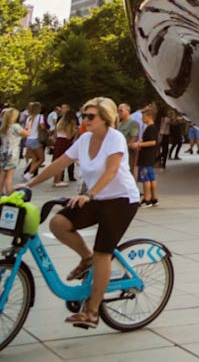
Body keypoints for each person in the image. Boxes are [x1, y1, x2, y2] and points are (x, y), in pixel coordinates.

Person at [20, 97, 142, 329]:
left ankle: (92, 311)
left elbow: (112, 171)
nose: (84, 120)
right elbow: (59, 163)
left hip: (121, 200)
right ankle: (86, 259)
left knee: (102, 253)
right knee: (58, 223)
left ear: (105, 118)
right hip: (97, 197)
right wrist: (29, 184)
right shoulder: (84, 139)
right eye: (83, 115)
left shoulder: (114, 138)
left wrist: (90, 194)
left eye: (90, 116)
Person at [136, 106, 161, 206]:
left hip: (145, 157)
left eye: (143, 116)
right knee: (151, 177)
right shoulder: (153, 128)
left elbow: (152, 142)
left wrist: (139, 144)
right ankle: (154, 197)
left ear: (149, 116)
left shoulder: (150, 128)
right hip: (149, 157)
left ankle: (147, 199)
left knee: (145, 178)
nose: (142, 118)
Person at [1, 108, 26, 194]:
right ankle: (8, 192)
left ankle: (0, 191)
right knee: (9, 174)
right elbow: (27, 133)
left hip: (3, 151)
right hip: (13, 153)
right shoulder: (16, 127)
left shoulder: (3, 127)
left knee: (2, 173)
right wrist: (29, 125)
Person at [117, 104, 141, 178]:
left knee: (128, 171)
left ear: (127, 111)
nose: (119, 113)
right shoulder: (120, 124)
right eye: (118, 111)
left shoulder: (133, 123)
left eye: (121, 111)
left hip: (128, 151)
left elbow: (134, 137)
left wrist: (126, 147)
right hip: (119, 150)